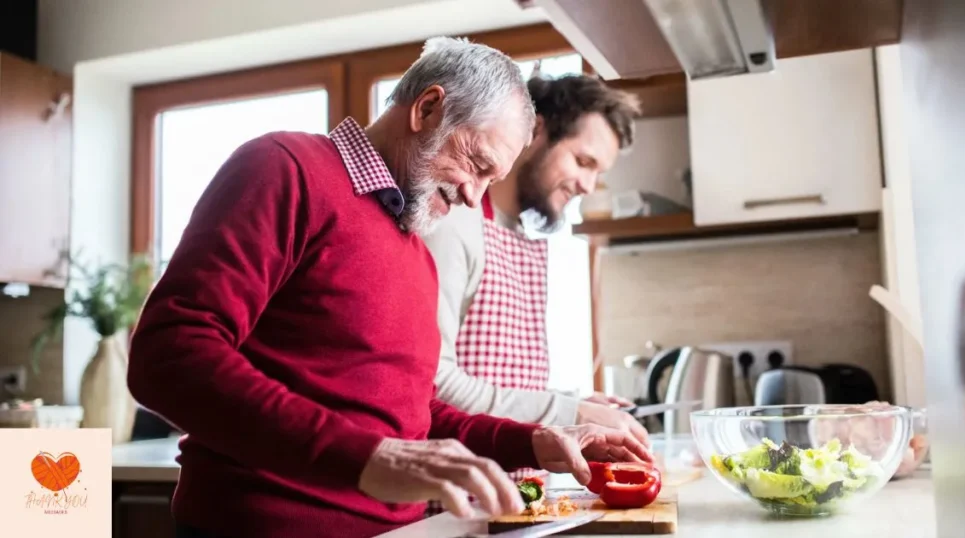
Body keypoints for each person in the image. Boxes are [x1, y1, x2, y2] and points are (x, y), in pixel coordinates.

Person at [127, 37, 651, 538]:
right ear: (426, 109)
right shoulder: (285, 168)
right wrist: (367, 458)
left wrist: (534, 442)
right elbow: (168, 356)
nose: (474, 195)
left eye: (492, 179)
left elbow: (416, 417)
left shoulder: (417, 250)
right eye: (476, 164)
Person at [423, 74, 647, 453]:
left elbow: (501, 382)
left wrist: (576, 403)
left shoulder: (519, 236)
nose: (588, 186)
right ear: (536, 131)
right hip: (457, 493)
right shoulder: (454, 223)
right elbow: (435, 382)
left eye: (598, 172)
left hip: (512, 490)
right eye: (582, 161)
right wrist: (567, 412)